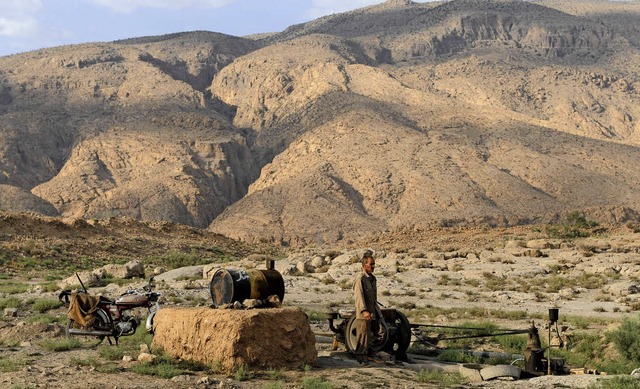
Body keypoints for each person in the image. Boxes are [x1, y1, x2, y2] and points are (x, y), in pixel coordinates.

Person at [353, 249, 384, 364]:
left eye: (374, 264)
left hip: (373, 312)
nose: (373, 267)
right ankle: (361, 359)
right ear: (364, 265)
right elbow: (359, 297)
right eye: (371, 264)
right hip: (364, 314)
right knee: (363, 336)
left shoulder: (373, 279)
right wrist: (364, 311)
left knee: (380, 332)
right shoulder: (360, 279)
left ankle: (371, 353)